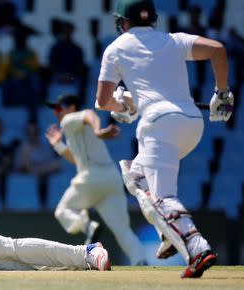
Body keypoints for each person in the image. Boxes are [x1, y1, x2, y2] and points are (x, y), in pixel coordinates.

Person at [95, 0, 234, 278]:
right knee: (134, 174)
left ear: (123, 22)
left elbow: (102, 100)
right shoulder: (173, 40)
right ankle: (168, 232)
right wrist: (221, 93)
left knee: (162, 197)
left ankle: (197, 248)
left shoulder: (116, 48)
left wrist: (124, 106)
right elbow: (218, 50)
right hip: (192, 124)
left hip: (158, 126)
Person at [44, 94, 147, 266]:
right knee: (123, 230)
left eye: (59, 108)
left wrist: (99, 131)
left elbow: (89, 114)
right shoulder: (74, 129)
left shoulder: (69, 119)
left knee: (62, 211)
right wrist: (58, 145)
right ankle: (141, 261)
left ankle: (88, 227)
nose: (56, 113)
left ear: (71, 108)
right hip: (111, 179)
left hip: (92, 177)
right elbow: (77, 159)